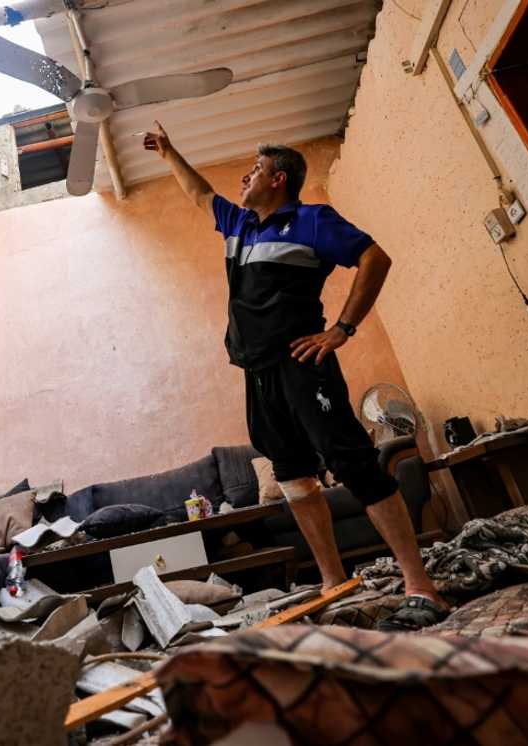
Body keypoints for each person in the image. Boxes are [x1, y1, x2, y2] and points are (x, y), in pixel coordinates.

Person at [144, 122, 450, 630]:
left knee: (355, 465)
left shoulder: (312, 221)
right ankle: (334, 582)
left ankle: (421, 585)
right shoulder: (239, 224)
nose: (246, 177)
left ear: (278, 178)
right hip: (257, 374)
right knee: (291, 477)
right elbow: (200, 194)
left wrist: (343, 329)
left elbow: (375, 258)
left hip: (303, 365)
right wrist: (171, 151)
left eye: (255, 170)